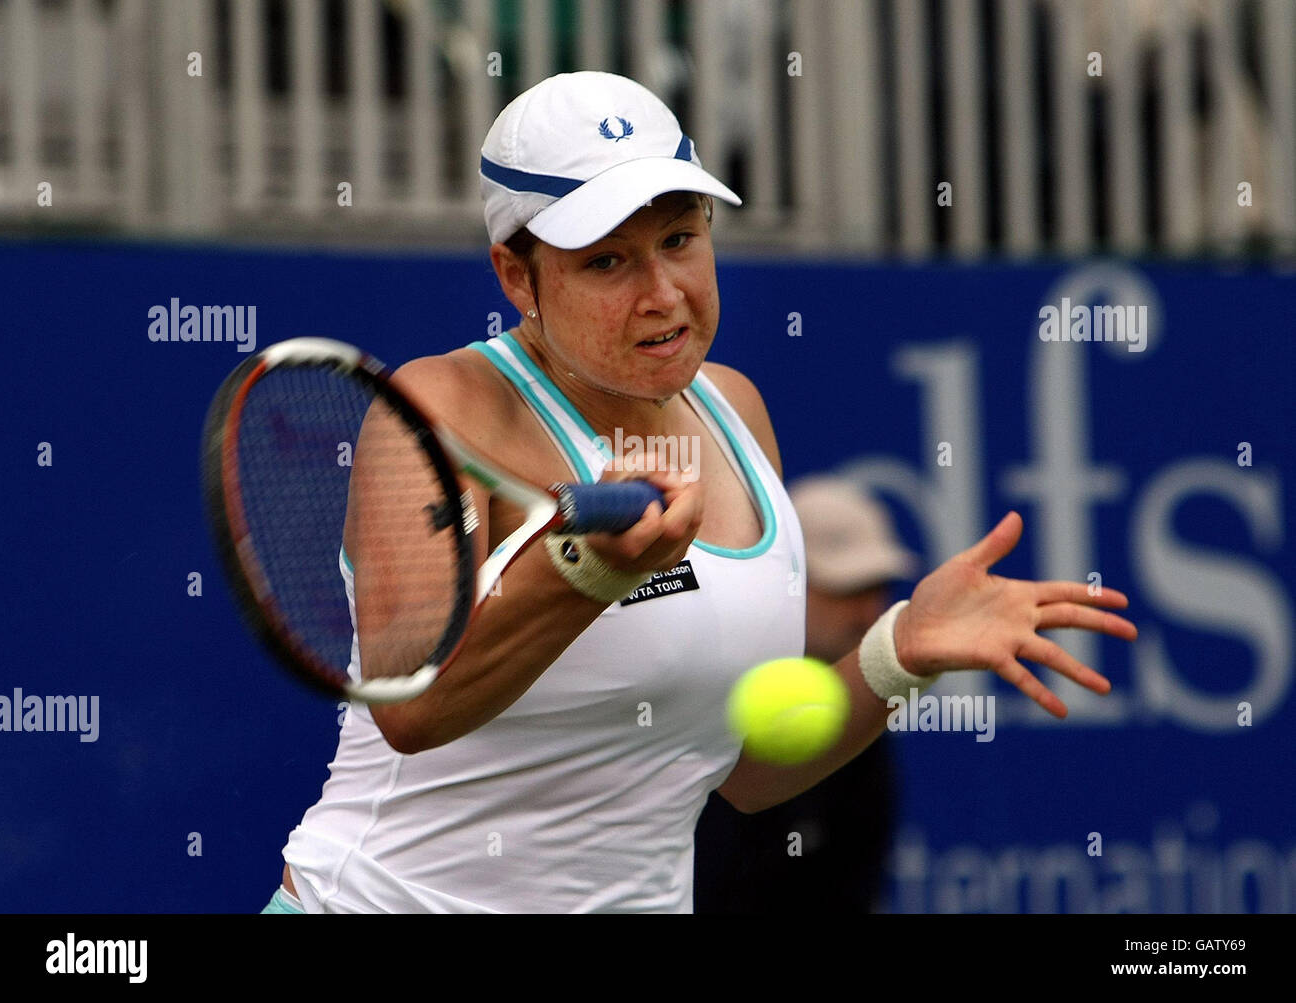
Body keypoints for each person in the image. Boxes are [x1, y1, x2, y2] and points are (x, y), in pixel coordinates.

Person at [261, 70, 1136, 914]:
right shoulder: (440, 412)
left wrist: (902, 650)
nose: (663, 294)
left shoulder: (739, 413)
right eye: (608, 262)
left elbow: (746, 773)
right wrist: (583, 573)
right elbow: (412, 708)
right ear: (516, 277)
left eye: (680, 239)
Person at [693, 476, 919, 913]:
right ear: (782, 580)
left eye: (876, 590)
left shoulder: (865, 725)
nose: (867, 614)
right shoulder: (702, 703)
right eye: (845, 589)